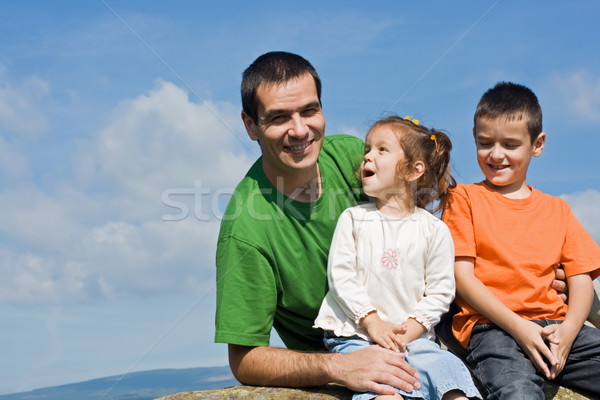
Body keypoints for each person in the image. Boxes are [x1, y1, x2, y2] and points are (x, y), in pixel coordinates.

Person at [215, 51, 421, 395]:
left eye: (310, 111)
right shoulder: (245, 231)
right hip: (351, 354)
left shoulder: (352, 156)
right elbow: (244, 359)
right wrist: (339, 367)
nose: (299, 130)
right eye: (279, 118)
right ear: (251, 125)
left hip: (418, 329)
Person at [441, 81, 600, 399]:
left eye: (510, 145)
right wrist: (519, 327)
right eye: (485, 143)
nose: (496, 155)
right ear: (474, 138)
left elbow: (580, 280)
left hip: (558, 328)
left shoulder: (558, 209)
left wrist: (568, 331)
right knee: (517, 392)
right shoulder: (463, 199)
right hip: (493, 329)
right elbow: (462, 277)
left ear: (537, 144)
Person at [314, 116, 482, 400]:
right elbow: (341, 276)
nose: (368, 156)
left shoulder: (434, 230)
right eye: (368, 149)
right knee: (386, 391)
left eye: (382, 150)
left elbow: (441, 291)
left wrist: (407, 334)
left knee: (450, 381)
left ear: (414, 170)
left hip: (415, 341)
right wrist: (372, 322)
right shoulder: (353, 219)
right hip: (357, 337)